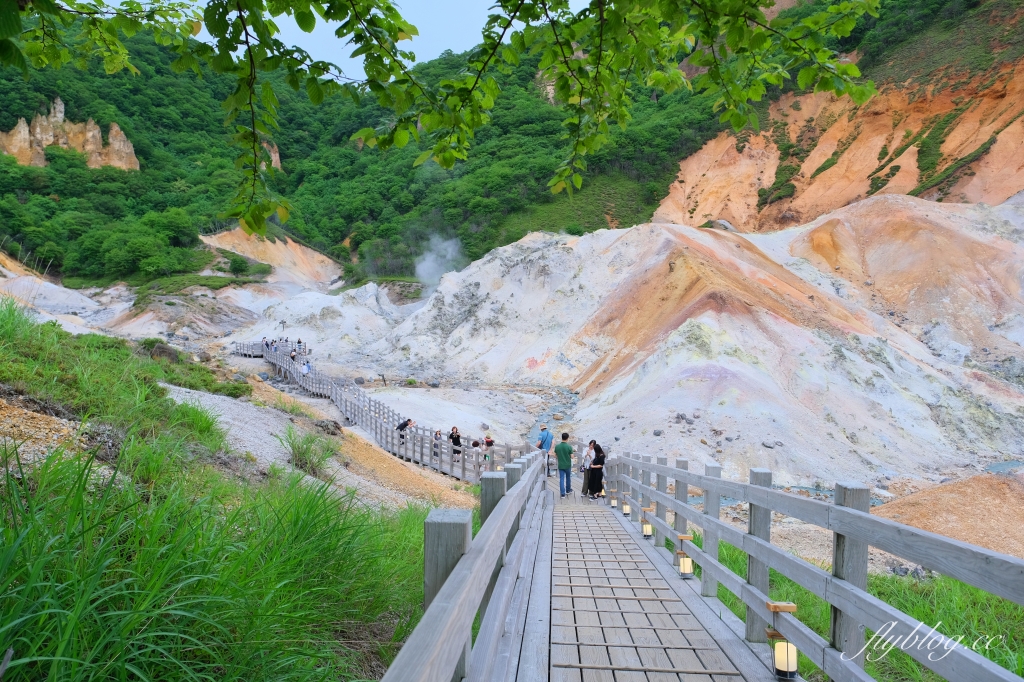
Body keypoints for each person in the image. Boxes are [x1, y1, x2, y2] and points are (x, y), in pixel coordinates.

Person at [554, 432, 574, 497]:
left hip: (561, 465)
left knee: (561, 479)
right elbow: (572, 456)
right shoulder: (569, 447)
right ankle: (568, 490)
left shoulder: (557, 446)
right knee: (568, 477)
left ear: (562, 437)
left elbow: (555, 455)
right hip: (567, 465)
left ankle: (562, 493)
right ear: (567, 438)